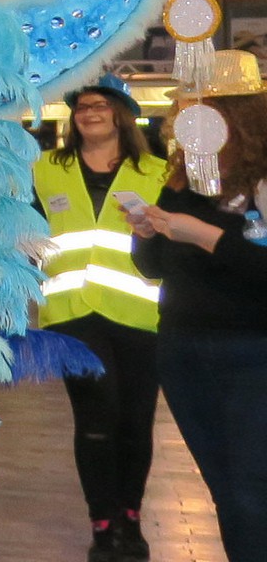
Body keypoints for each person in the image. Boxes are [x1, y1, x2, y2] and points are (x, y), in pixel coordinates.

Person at [130, 57, 267, 562]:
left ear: (239, 115)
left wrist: (208, 237)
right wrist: (146, 233)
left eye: (201, 108)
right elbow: (153, 268)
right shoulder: (184, 177)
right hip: (184, 352)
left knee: (251, 489)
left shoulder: (262, 179)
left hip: (253, 354)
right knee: (225, 489)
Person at [33, 76, 169, 561]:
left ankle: (130, 516)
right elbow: (21, 225)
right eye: (81, 106)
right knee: (97, 414)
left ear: (122, 114)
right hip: (72, 312)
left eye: (100, 105)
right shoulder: (45, 168)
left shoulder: (158, 171)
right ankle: (103, 523)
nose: (89, 112)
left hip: (140, 313)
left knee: (135, 419)